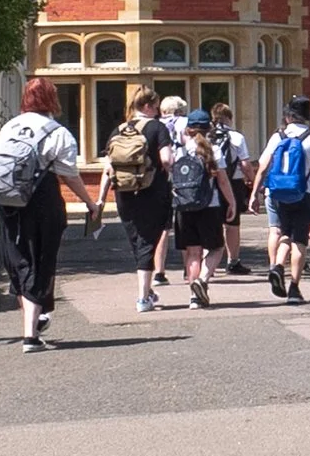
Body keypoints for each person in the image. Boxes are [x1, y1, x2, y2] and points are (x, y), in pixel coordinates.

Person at [0, 76, 94, 352]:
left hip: (8, 200)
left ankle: (30, 326)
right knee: (41, 261)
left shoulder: (9, 126)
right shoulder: (57, 132)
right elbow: (69, 175)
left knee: (19, 261)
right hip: (42, 199)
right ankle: (30, 335)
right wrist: (90, 203)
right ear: (52, 100)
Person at [92, 85, 177, 313]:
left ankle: (147, 290)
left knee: (137, 241)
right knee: (148, 241)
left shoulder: (118, 130)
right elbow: (167, 160)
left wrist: (100, 199)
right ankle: (142, 298)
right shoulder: (157, 128)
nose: (158, 111)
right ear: (148, 106)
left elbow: (108, 167)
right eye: (156, 106)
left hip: (124, 193)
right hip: (153, 191)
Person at [249, 94, 310, 303]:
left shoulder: (277, 137)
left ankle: (277, 266)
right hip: (304, 193)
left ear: (289, 116)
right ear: (307, 116)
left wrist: (255, 193)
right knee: (299, 240)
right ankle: (294, 290)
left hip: (277, 192)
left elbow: (263, 166)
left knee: (283, 232)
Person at [167, 112, 239, 306]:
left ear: (188, 129)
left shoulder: (179, 151)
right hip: (210, 205)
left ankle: (193, 298)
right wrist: (232, 202)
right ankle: (203, 279)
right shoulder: (213, 150)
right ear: (209, 128)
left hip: (183, 205)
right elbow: (222, 180)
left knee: (192, 253)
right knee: (216, 247)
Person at [212, 102, 253, 275]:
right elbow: (245, 164)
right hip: (234, 182)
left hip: (212, 182)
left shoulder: (207, 136)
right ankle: (233, 261)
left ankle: (210, 263)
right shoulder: (237, 137)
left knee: (212, 223)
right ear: (229, 118)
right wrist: (253, 180)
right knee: (232, 224)